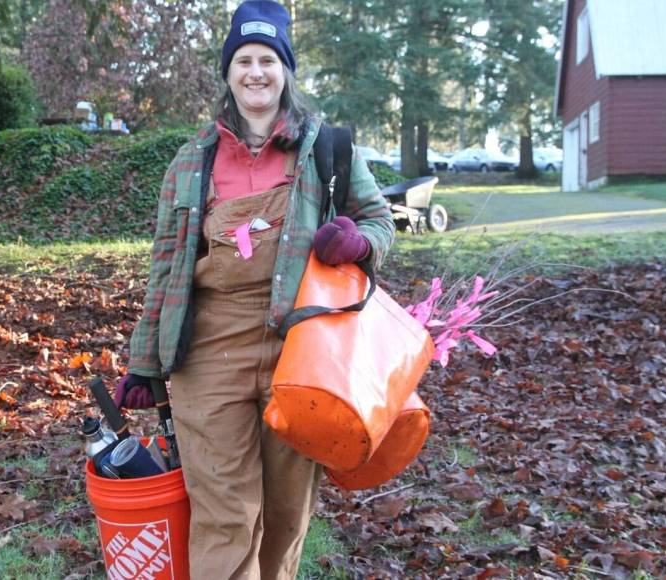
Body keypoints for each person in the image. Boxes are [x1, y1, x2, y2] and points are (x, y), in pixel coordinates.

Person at [113, 1, 395, 577]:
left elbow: (379, 221)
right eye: (243, 60)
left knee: (286, 513)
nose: (256, 72)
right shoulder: (191, 162)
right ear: (228, 72)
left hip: (303, 350)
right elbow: (166, 264)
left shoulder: (327, 148)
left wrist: (357, 243)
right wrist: (144, 362)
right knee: (225, 512)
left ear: (286, 69)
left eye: (268, 59)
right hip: (209, 349)